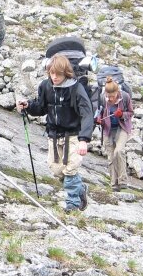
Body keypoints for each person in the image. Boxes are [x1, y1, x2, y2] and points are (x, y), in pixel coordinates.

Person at [16, 54, 93, 211]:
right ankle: (80, 189)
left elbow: (87, 113)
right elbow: (41, 108)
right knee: (57, 170)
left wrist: (84, 139)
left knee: (70, 170)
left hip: (73, 135)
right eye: (52, 73)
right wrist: (28, 106)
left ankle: (72, 204)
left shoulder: (76, 88)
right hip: (53, 134)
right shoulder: (46, 86)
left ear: (66, 73)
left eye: (58, 74)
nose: (54, 77)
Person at [95, 78, 134, 191]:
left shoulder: (125, 97)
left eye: (113, 96)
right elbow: (99, 113)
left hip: (122, 128)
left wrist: (122, 114)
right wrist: (99, 119)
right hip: (108, 129)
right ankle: (114, 183)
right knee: (111, 156)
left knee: (119, 151)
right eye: (109, 96)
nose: (111, 98)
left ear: (117, 92)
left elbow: (131, 112)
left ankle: (122, 180)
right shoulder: (102, 98)